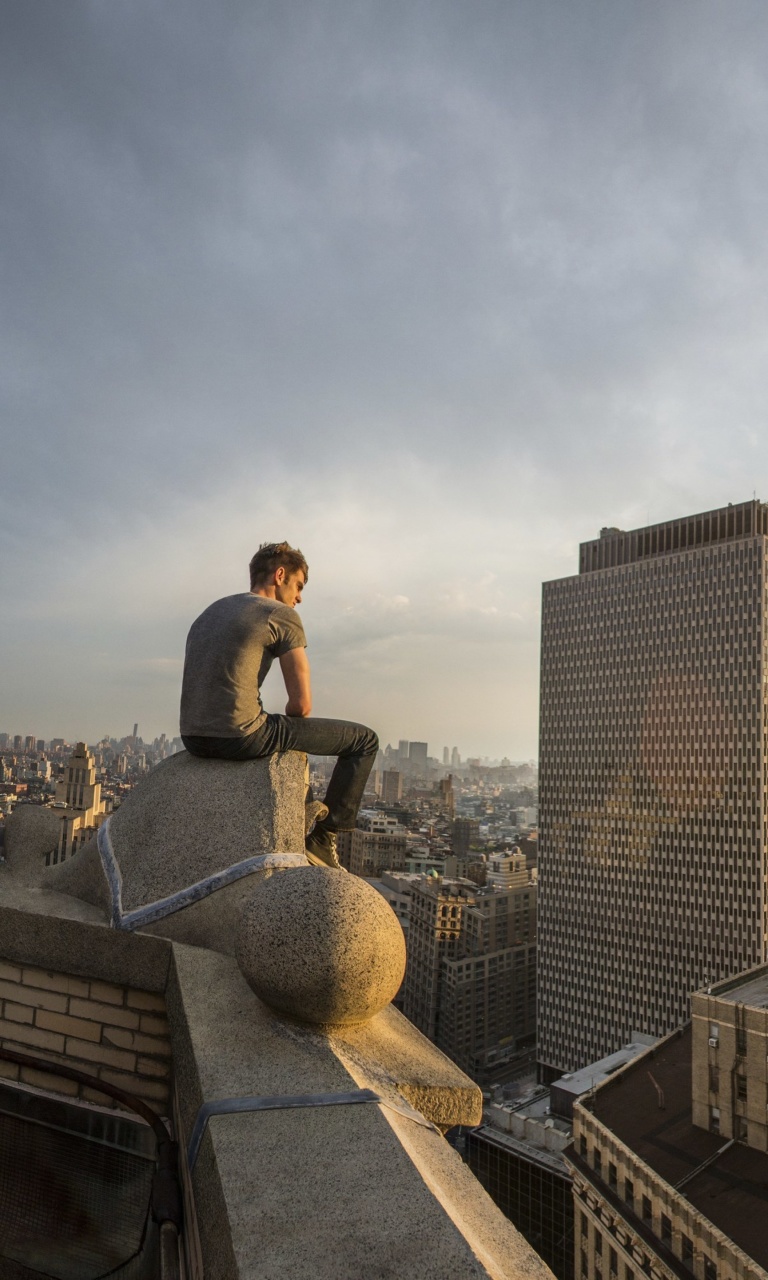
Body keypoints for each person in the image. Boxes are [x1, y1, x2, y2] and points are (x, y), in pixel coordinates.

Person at [179, 541, 378, 868]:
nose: (299, 597)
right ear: (280, 574)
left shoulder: (210, 611)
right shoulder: (280, 614)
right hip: (240, 736)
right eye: (298, 586)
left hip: (193, 737)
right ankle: (323, 837)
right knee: (365, 741)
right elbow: (300, 706)